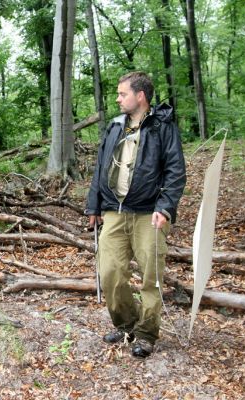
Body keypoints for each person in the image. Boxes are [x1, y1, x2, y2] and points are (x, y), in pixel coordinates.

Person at [85, 72, 186, 358]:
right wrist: (94, 205)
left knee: (150, 278)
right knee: (110, 274)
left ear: (140, 96)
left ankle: (146, 333)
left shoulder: (163, 127)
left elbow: (176, 171)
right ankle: (127, 324)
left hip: (148, 214)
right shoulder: (115, 126)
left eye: (122, 94)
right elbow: (100, 167)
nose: (118, 99)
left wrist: (165, 207)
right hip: (113, 212)